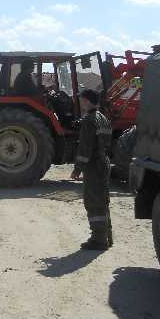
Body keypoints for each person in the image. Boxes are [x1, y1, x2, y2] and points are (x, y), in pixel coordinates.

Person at [71, 89, 113, 250]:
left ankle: (98, 240)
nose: (80, 103)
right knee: (103, 200)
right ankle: (107, 237)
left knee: (94, 202)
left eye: (81, 100)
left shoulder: (89, 120)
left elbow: (85, 148)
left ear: (87, 101)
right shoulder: (103, 118)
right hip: (104, 162)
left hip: (94, 166)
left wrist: (77, 169)